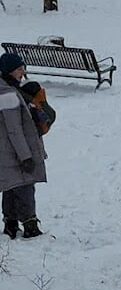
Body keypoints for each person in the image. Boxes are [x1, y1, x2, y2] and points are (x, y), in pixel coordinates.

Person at [1, 53, 47, 239]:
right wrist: (25, 156)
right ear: (10, 71)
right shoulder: (8, 95)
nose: (23, 72)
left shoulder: (8, 90)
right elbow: (14, 130)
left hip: (6, 151)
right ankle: (30, 226)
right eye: (19, 69)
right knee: (25, 185)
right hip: (15, 151)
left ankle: (10, 225)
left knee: (11, 186)